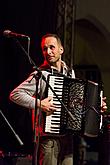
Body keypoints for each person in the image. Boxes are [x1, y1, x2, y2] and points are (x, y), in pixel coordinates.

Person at [9, 33, 107, 165]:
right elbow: (15, 94)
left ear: (61, 49)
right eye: (44, 49)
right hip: (48, 140)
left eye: (51, 47)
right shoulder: (41, 74)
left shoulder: (69, 72)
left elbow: (75, 102)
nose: (48, 52)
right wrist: (39, 103)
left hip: (68, 138)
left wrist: (95, 105)